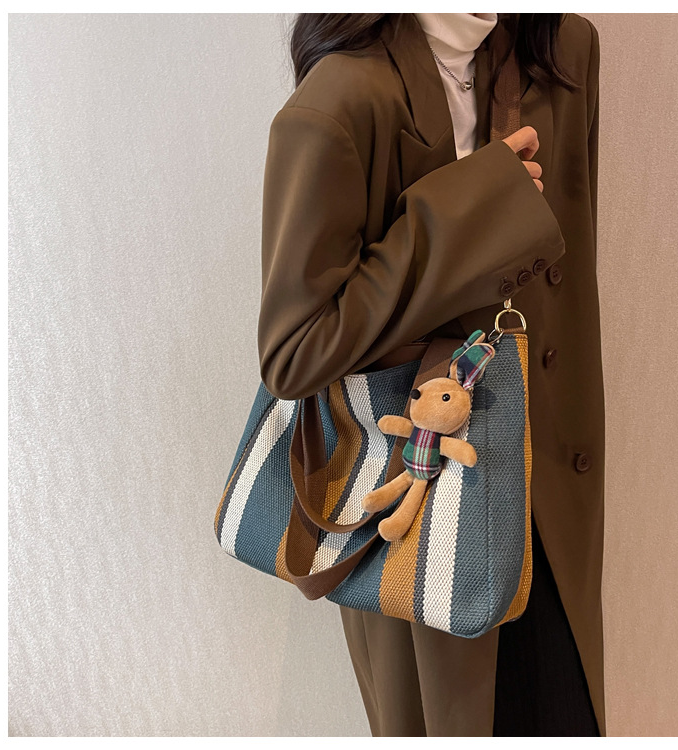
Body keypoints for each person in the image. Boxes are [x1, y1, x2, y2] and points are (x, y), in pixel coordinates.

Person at [257, 12, 605, 737]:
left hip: (547, 501)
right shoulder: (340, 102)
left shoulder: (561, 51)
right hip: (419, 522)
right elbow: (295, 351)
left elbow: (567, 290)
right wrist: (466, 212)